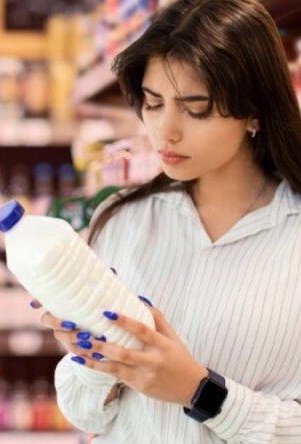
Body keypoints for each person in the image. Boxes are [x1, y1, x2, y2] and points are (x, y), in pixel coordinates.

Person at [37, 0, 301, 442]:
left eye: (195, 108)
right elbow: (86, 413)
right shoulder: (121, 220)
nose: (166, 131)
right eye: (153, 103)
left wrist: (200, 391)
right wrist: (99, 364)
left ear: (254, 109)